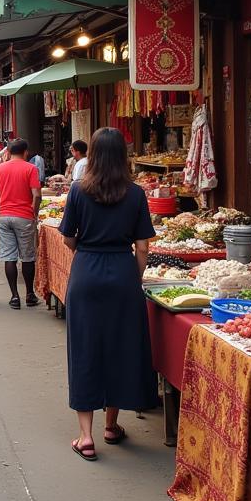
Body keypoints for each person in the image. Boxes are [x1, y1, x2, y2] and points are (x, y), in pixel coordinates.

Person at [59, 127, 157, 462]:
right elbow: (142, 246)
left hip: (86, 271)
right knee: (119, 347)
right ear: (123, 156)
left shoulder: (77, 191)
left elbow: (68, 237)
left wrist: (87, 249)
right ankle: (111, 426)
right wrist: (135, 275)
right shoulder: (135, 193)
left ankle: (85, 437)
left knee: (85, 349)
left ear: (94, 155)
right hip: (122, 272)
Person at [0, 140, 41, 309]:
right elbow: (37, 195)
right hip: (24, 217)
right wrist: (34, 212)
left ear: (8, 152)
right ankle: (29, 294)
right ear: (25, 152)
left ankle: (14, 297)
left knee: (9, 256)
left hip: (4, 216)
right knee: (27, 257)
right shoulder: (30, 168)